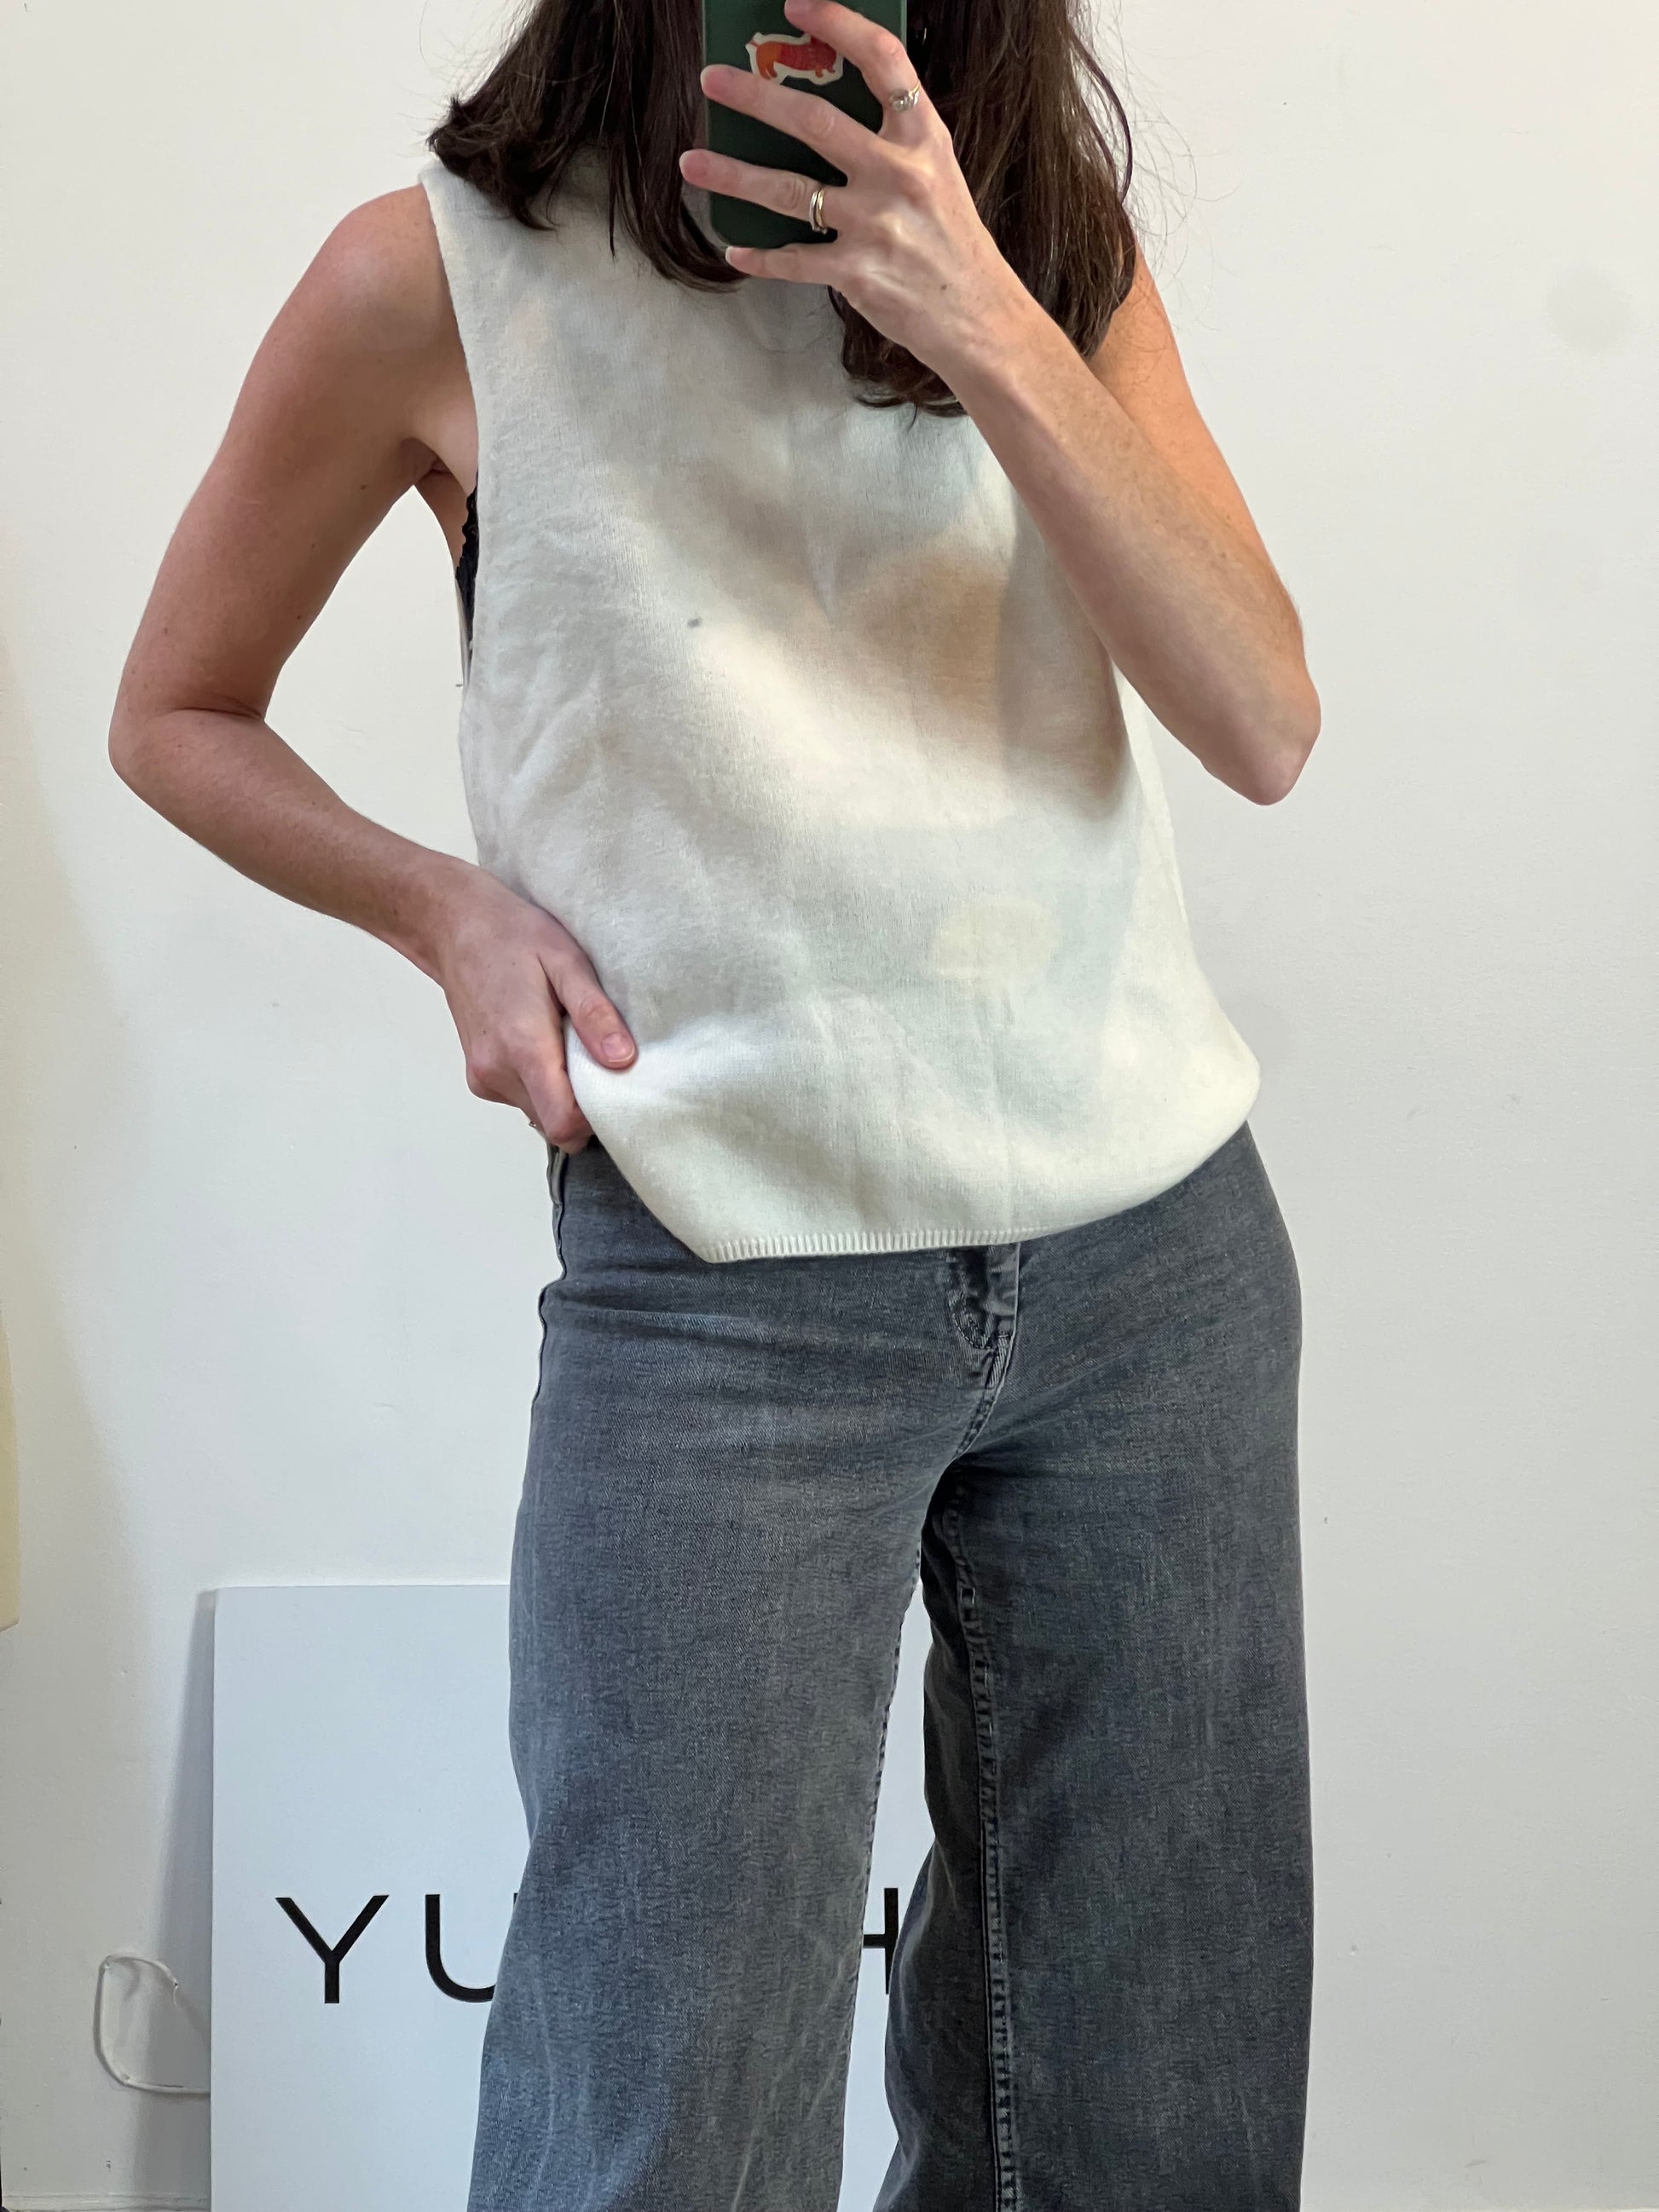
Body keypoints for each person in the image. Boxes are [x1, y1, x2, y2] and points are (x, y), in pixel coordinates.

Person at [108, 0, 1322, 2202]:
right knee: (661, 2125)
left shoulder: (1043, 243)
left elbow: (1258, 718)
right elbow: (178, 709)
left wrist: (975, 306)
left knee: (1151, 2126)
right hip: (723, 1282)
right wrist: (446, 918)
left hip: (1151, 1261)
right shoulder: (432, 276)